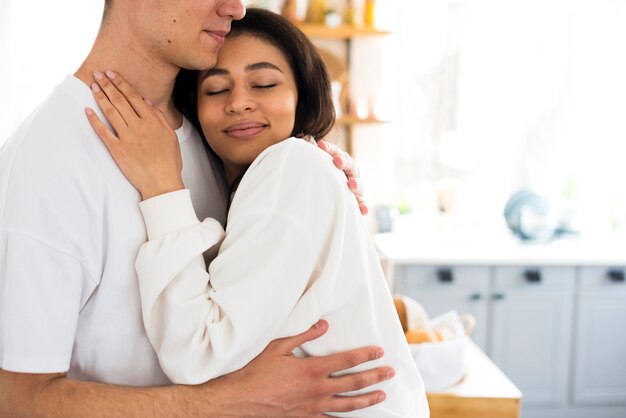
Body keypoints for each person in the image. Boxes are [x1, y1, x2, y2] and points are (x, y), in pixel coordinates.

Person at [0, 1, 393, 416]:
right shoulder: (48, 160)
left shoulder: (217, 138)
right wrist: (223, 402)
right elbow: (16, 400)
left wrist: (320, 178)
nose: (236, 7)